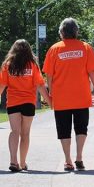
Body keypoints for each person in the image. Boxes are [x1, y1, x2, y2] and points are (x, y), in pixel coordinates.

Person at [43, 18, 94, 171]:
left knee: (64, 129)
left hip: (61, 99)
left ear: (61, 32)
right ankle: (79, 157)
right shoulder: (86, 48)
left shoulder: (54, 49)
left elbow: (49, 76)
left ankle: (68, 160)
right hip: (82, 97)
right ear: (76, 31)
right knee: (81, 128)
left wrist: (50, 95)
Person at [0, 39, 51, 172]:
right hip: (28, 102)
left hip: (13, 103)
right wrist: (50, 102)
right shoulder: (32, 65)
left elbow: (2, 85)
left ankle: (13, 161)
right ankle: (22, 163)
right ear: (28, 50)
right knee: (25, 133)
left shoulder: (8, 64)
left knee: (14, 131)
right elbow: (40, 85)